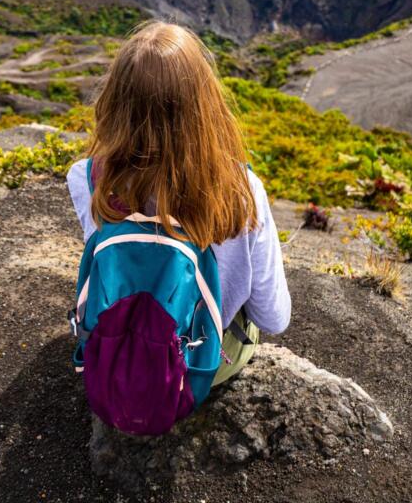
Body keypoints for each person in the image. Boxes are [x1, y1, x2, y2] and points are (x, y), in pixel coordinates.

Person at [66, 20, 290, 385]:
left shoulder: (88, 177)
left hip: (120, 356)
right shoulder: (242, 189)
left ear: (115, 100)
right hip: (201, 368)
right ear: (206, 103)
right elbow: (273, 318)